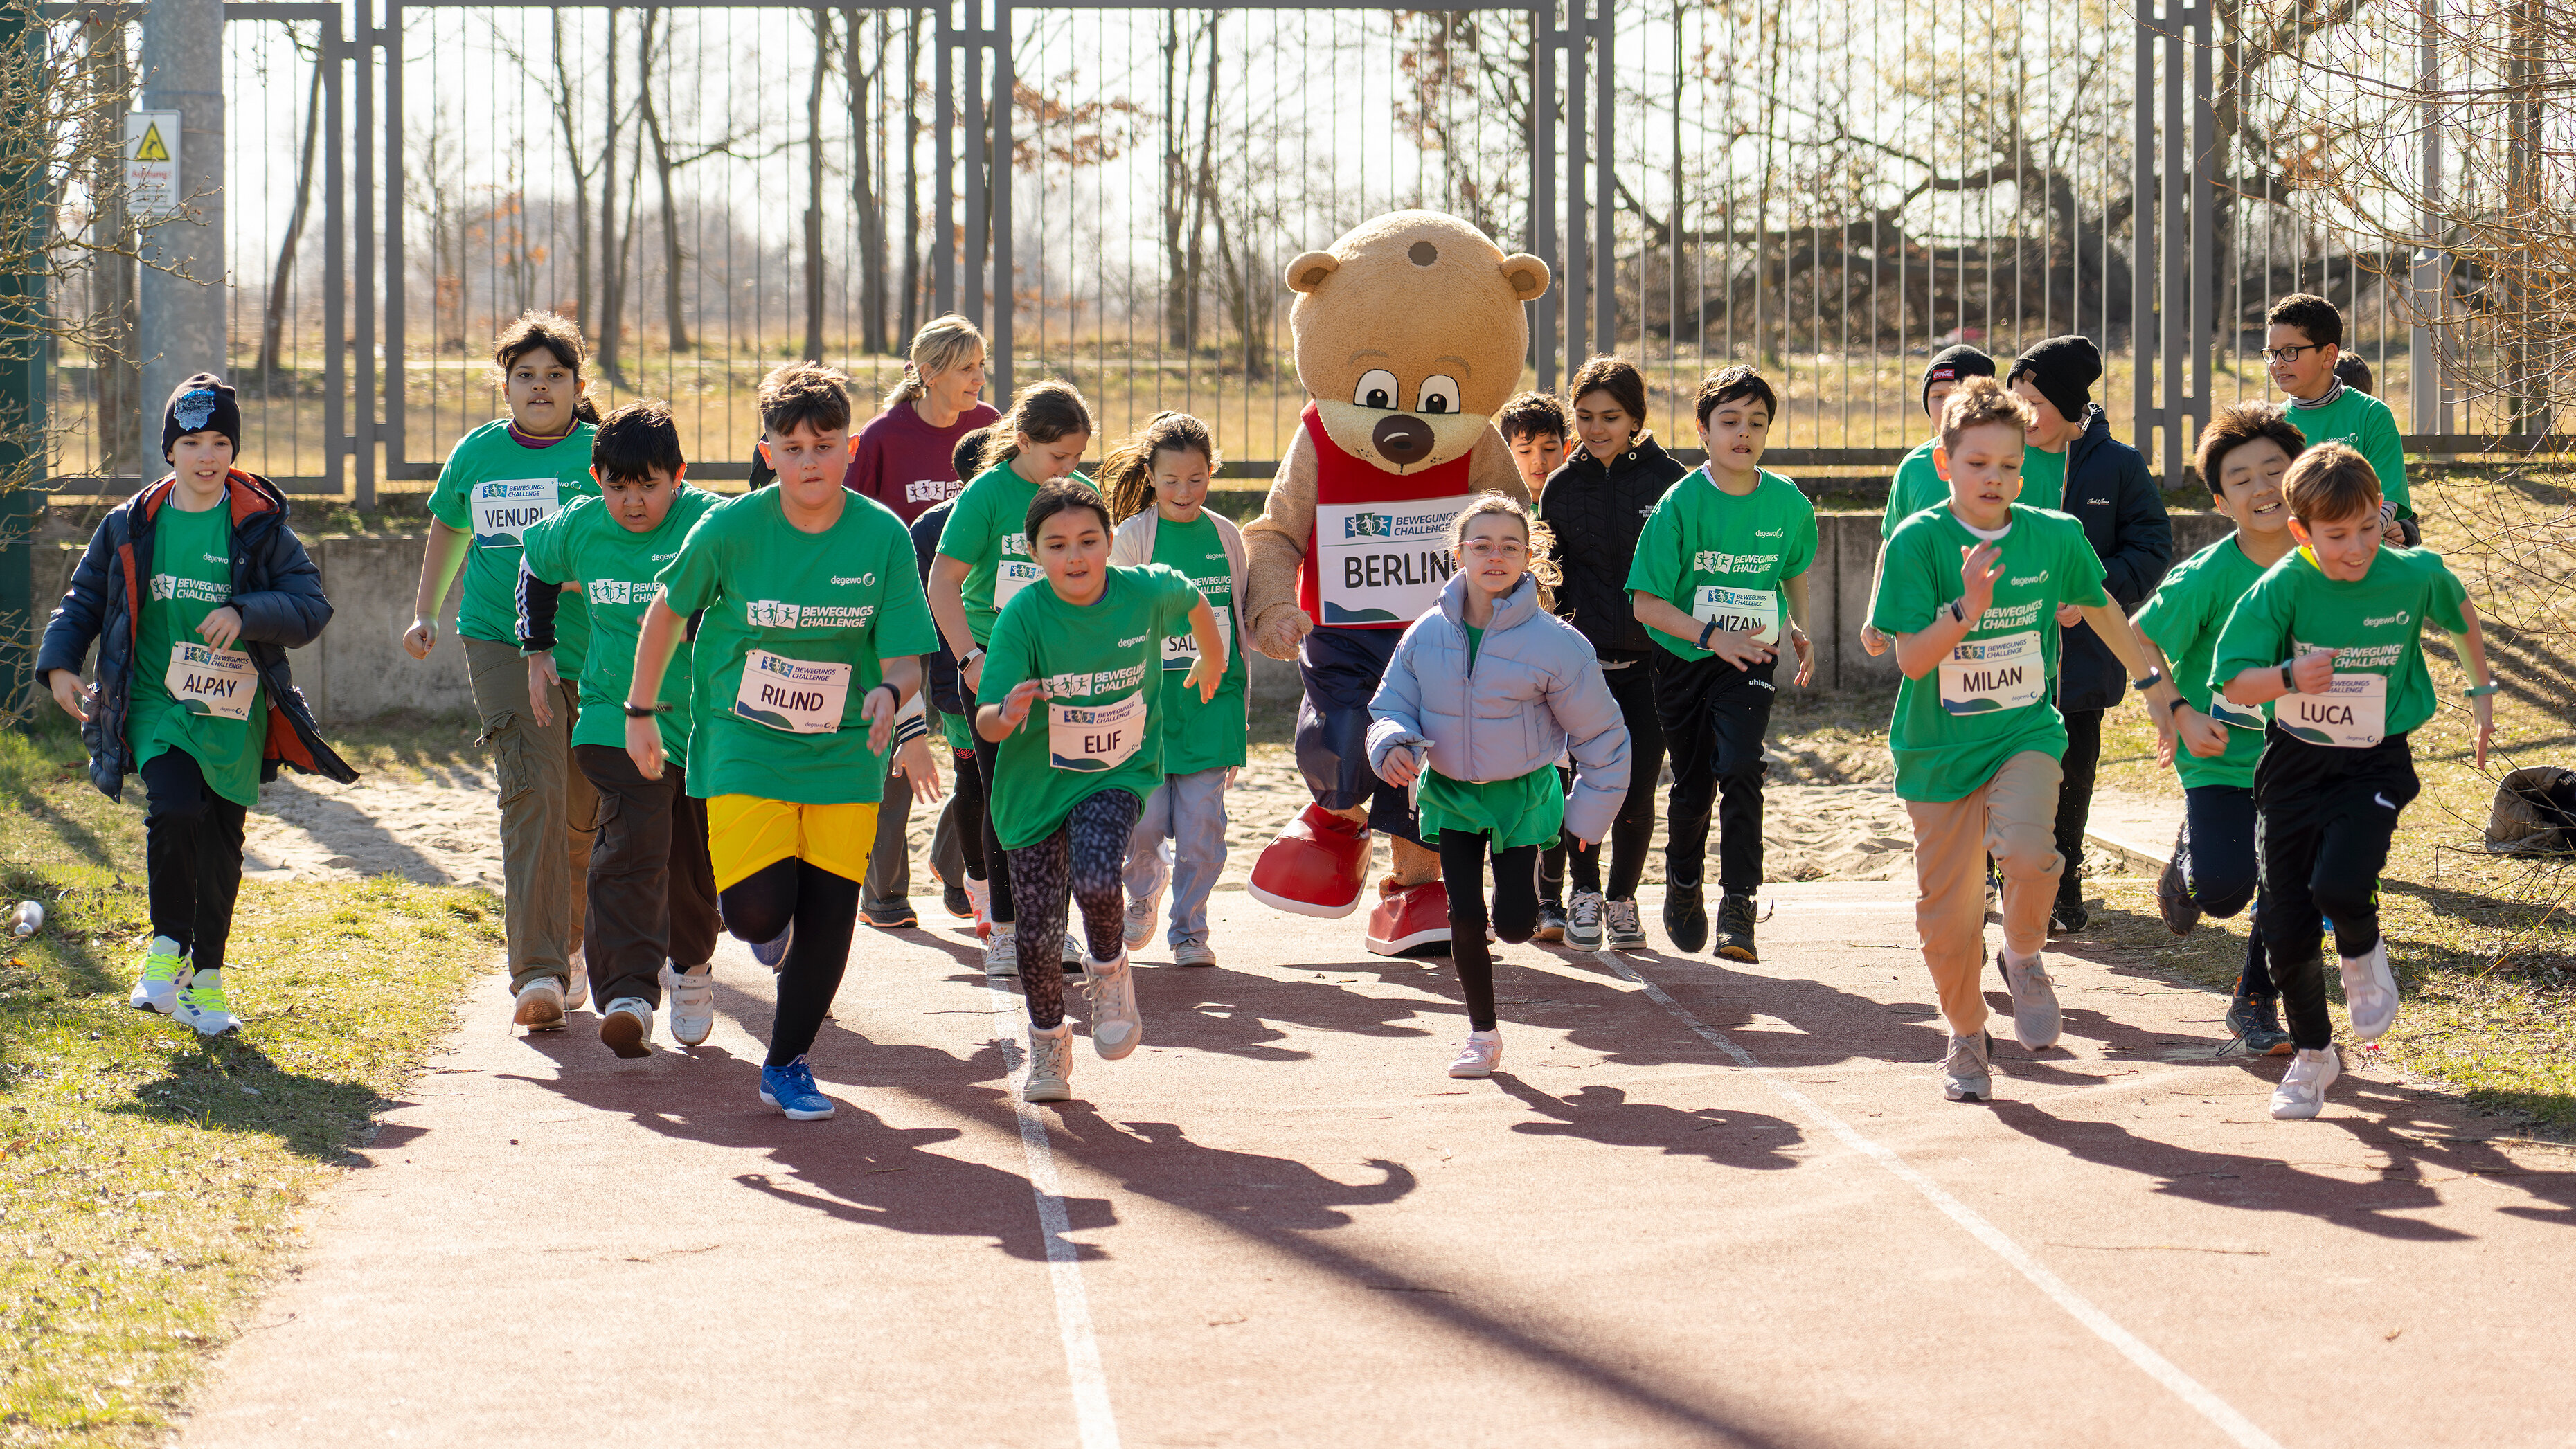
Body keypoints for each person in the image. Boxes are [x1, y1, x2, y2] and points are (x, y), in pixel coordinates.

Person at [625, 363, 936, 1121]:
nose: (807, 461)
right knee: (760, 912)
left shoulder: (882, 534)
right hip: (742, 738)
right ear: (767, 449)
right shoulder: (730, 527)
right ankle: (771, 929)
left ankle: (788, 1061)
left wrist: (891, 696)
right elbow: (667, 613)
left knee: (832, 909)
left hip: (845, 748)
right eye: (791, 446)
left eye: (823, 445)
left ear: (851, 447)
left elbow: (905, 653)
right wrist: (639, 709)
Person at [1871, 377, 2186, 1103]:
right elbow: (1913, 657)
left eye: (2010, 466)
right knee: (1945, 924)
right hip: (1937, 750)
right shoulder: (1918, 540)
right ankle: (1966, 1033)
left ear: (2027, 469)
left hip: (2025, 730)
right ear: (1945, 464)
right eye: (1978, 463)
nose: (1995, 478)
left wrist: (2154, 687)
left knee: (2029, 850)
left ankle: (2023, 952)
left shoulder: (2053, 535)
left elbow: (2103, 608)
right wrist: (1968, 605)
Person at [38, 374, 355, 1036]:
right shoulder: (130, 524)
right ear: (170, 451)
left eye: (219, 441)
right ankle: (165, 944)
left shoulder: (259, 527)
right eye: (191, 442)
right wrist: (61, 665)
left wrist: (245, 611)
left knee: (221, 844)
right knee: (174, 806)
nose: (207, 455)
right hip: (154, 699)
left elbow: (311, 606)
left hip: (233, 710)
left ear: (233, 449)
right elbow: (84, 600)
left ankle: (204, 982)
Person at [2211, 442, 2494, 1120]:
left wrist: (2482, 694)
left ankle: (2364, 955)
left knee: (2339, 884)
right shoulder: (2283, 584)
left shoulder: (2412, 572)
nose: (2359, 546)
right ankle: (2314, 1056)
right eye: (2337, 536)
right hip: (2294, 763)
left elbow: (2461, 615)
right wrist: (2287, 678)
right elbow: (2233, 678)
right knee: (2285, 921)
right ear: (2302, 532)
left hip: (2374, 757)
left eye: (2369, 526)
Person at [978, 484, 1224, 1101]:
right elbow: (986, 720)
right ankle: (1047, 1043)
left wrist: (1213, 657)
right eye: (1057, 546)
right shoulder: (1023, 616)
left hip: (1119, 771)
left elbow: (1194, 596)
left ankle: (1110, 971)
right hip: (1036, 788)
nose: (1076, 557)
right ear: (1034, 553)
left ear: (1111, 543)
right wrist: (1006, 715)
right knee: (1035, 937)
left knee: (1094, 875)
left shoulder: (1143, 590)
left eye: (1089, 541)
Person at [1368, 496, 1629, 1077]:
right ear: (1458, 553)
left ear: (1529, 555)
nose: (1495, 556)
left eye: (1510, 546)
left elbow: (1602, 735)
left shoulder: (1556, 642)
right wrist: (1390, 743)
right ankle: (1482, 1034)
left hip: (1523, 794)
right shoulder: (1425, 633)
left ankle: (1527, 894)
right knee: (1464, 913)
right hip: (1451, 794)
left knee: (1513, 924)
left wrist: (1587, 818)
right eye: (1481, 545)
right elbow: (1391, 705)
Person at [405, 312, 602, 1031]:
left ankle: (573, 940)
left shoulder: (598, 452)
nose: (540, 387)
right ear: (506, 384)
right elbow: (450, 527)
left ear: (579, 386)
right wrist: (425, 609)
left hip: (595, 646)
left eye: (555, 376)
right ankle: (537, 970)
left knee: (583, 811)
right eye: (526, 375)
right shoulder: (479, 452)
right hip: (498, 640)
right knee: (530, 792)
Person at [517, 401, 723, 1058]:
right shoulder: (578, 526)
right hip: (610, 712)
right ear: (596, 477)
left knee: (692, 862)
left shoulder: (712, 523)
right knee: (631, 840)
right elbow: (535, 565)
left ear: (680, 476)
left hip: (700, 723)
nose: (633, 503)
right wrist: (538, 645)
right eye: (617, 487)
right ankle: (629, 994)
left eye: (649, 487)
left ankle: (690, 966)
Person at [2127, 404, 2307, 1056]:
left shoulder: (2335, 559)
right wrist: (2175, 708)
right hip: (2222, 758)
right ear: (2220, 497)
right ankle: (2190, 861)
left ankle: (2254, 1000)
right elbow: (2139, 636)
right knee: (2227, 889)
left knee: (2292, 881)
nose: (2262, 488)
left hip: (2306, 760)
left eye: (2275, 470)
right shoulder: (2208, 575)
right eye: (2241, 479)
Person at [1622, 366, 1818, 962]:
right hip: (1684, 656)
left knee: (1740, 763)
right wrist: (1711, 636)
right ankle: (1684, 879)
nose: (1744, 433)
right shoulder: (1679, 503)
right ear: (1703, 430)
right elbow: (1647, 603)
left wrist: (1800, 626)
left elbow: (1793, 569)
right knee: (1693, 784)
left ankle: (1740, 906)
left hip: (1753, 656)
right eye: (1729, 421)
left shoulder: (1787, 502)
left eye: (1756, 423)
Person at [931, 380, 1100, 975]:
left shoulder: (1079, 494)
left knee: (1063, 797)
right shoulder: (986, 496)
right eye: (1059, 457)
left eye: (1079, 457)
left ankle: (1053, 927)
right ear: (1023, 441)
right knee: (1005, 799)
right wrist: (970, 660)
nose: (1070, 470)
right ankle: (1006, 928)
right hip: (995, 664)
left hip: (1064, 668)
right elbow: (942, 582)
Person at [2005, 334, 2173, 935]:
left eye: (2036, 401)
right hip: (2006, 649)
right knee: (2010, 763)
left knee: (2074, 765)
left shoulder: (2116, 464)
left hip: (2080, 653)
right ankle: (2014, 874)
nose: (2023, 413)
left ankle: (2065, 876)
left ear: (2072, 405)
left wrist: (2094, 590)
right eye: (2015, 397)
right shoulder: (2002, 457)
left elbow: (2152, 544)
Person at [842, 315, 1000, 929]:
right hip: (898, 613)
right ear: (927, 373)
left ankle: (954, 860)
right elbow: (854, 515)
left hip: (970, 611)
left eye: (981, 366)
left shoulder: (990, 428)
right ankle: (884, 892)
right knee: (898, 751)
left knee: (976, 756)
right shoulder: (884, 435)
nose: (978, 379)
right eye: (966, 368)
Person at [1535, 357, 1682, 952]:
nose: (1597, 429)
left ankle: (1623, 899)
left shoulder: (1670, 481)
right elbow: (1552, 578)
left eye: (1611, 417)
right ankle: (1585, 893)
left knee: (1638, 788)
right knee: (1589, 787)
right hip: (1582, 669)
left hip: (1654, 665)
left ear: (1636, 419)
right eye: (1586, 416)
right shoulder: (1561, 487)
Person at [1104, 413, 1249, 968]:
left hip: (1213, 704)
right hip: (1148, 709)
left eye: (1196, 478)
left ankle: (1190, 929)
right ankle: (1144, 887)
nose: (1184, 491)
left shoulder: (1226, 535)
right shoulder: (1136, 536)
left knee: (1202, 827)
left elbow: (1240, 616)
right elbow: (1115, 615)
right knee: (1144, 823)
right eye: (1170, 481)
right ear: (1150, 474)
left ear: (1211, 472)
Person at [909, 426, 994, 933]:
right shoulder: (930, 530)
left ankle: (1000, 885)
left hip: (1019, 673)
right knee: (974, 783)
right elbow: (921, 609)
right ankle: (977, 881)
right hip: (956, 679)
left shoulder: (1037, 514)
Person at [1861, 345, 1998, 659]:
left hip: (1996, 619)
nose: (1947, 405)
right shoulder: (1913, 467)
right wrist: (1875, 613)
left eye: (1957, 394)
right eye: (1937, 396)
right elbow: (1893, 543)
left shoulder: (2012, 459)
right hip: (1928, 621)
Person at [2262, 293, 2414, 540]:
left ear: (2328, 355)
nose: (2277, 364)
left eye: (2290, 351)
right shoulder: (2271, 425)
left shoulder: (2371, 416)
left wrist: (2342, 543)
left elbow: (2386, 503)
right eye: (2272, 353)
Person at [1496, 391, 1572, 501]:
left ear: (1566, 450)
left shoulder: (1581, 502)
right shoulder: (1498, 511)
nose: (1539, 460)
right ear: (1506, 454)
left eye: (1549, 449)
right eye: (1525, 451)